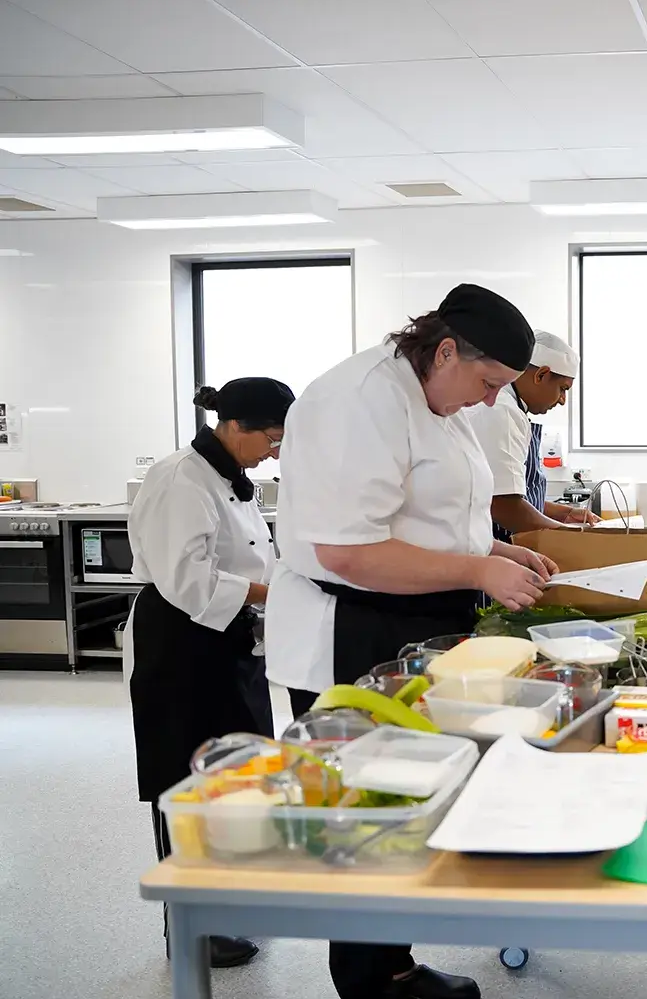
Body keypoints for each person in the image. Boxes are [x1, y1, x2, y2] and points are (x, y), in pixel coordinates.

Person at [265, 284, 557, 999]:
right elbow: (347, 551)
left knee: (409, 794)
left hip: (414, 615)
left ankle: (394, 963)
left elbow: (433, 511)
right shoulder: (358, 399)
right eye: (489, 384)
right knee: (366, 808)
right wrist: (474, 567)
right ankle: (372, 980)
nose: (491, 401)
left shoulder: (436, 394)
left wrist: (498, 551)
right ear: (449, 350)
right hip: (354, 625)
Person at [127, 377, 294, 969]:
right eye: (272, 437)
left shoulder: (231, 477)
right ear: (234, 426)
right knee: (184, 780)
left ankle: (227, 903)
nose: (276, 449)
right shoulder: (180, 478)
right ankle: (190, 927)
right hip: (181, 644)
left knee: (236, 773)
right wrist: (273, 593)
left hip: (229, 641)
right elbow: (187, 579)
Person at [469, 330, 599, 535]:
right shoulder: (502, 411)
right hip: (496, 542)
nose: (563, 400)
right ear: (541, 375)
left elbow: (515, 495)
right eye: (562, 388)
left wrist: (564, 513)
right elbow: (504, 505)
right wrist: (573, 536)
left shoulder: (512, 409)